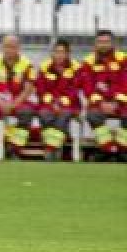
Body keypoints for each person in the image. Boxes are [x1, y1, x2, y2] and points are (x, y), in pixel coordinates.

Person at [0, 35, 37, 160]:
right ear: (2, 47)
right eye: (6, 46)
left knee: (26, 113)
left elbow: (28, 90)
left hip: (20, 100)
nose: (9, 50)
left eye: (12, 47)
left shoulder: (28, 65)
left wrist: (13, 105)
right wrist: (1, 104)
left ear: (18, 48)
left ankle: (14, 148)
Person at [35, 40, 85, 161]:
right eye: (57, 52)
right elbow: (40, 90)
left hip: (70, 105)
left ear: (68, 54)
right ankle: (55, 147)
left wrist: (60, 103)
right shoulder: (44, 67)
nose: (59, 55)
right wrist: (52, 103)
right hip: (48, 104)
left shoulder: (76, 67)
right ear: (52, 53)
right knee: (44, 114)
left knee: (63, 114)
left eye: (63, 52)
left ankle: (52, 150)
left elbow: (75, 90)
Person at [81, 30, 127, 160]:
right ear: (95, 44)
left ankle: (123, 150)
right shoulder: (88, 61)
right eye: (100, 42)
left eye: (106, 42)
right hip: (98, 104)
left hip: (122, 103)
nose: (103, 45)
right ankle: (109, 149)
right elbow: (87, 87)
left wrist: (117, 101)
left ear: (113, 43)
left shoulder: (123, 59)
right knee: (92, 115)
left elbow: (125, 83)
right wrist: (101, 102)